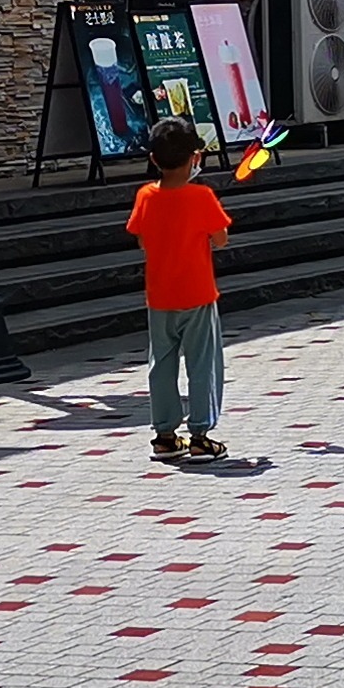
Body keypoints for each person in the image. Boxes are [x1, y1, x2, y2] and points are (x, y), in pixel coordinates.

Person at [128, 116, 234, 460]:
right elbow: (221, 240)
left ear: (153, 159)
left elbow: (142, 240)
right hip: (198, 294)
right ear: (195, 158)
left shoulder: (145, 196)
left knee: (161, 363)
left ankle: (164, 434)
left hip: (159, 296)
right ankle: (201, 435)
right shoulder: (201, 195)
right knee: (203, 364)